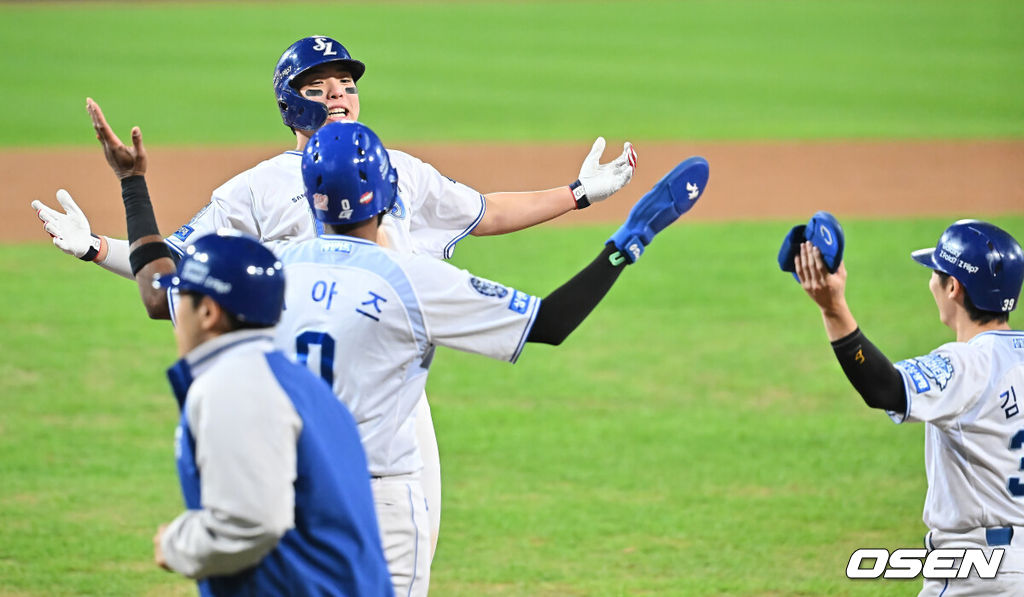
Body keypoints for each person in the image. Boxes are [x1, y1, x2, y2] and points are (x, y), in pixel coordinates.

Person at [31, 34, 637, 556]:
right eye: (320, 88)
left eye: (346, 85)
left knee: (395, 547)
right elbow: (182, 267)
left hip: (392, 394)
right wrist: (98, 248)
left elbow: (486, 211)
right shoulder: (255, 189)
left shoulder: (394, 166)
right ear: (291, 103)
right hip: (305, 394)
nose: (339, 95)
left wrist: (578, 193)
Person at [266, 120, 708, 596]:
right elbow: (550, 323)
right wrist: (627, 243)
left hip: (287, 493)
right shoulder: (412, 279)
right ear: (388, 192)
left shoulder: (274, 267)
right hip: (377, 504)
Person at [148, 230, 393, 596]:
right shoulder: (299, 383)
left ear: (208, 312)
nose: (176, 313)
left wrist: (176, 544)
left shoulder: (233, 384)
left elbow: (250, 521)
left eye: (181, 297)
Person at [793, 219, 1024, 595]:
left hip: (979, 574)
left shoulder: (968, 364)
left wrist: (834, 309)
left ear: (953, 287)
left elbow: (884, 388)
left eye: (935, 274)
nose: (931, 284)